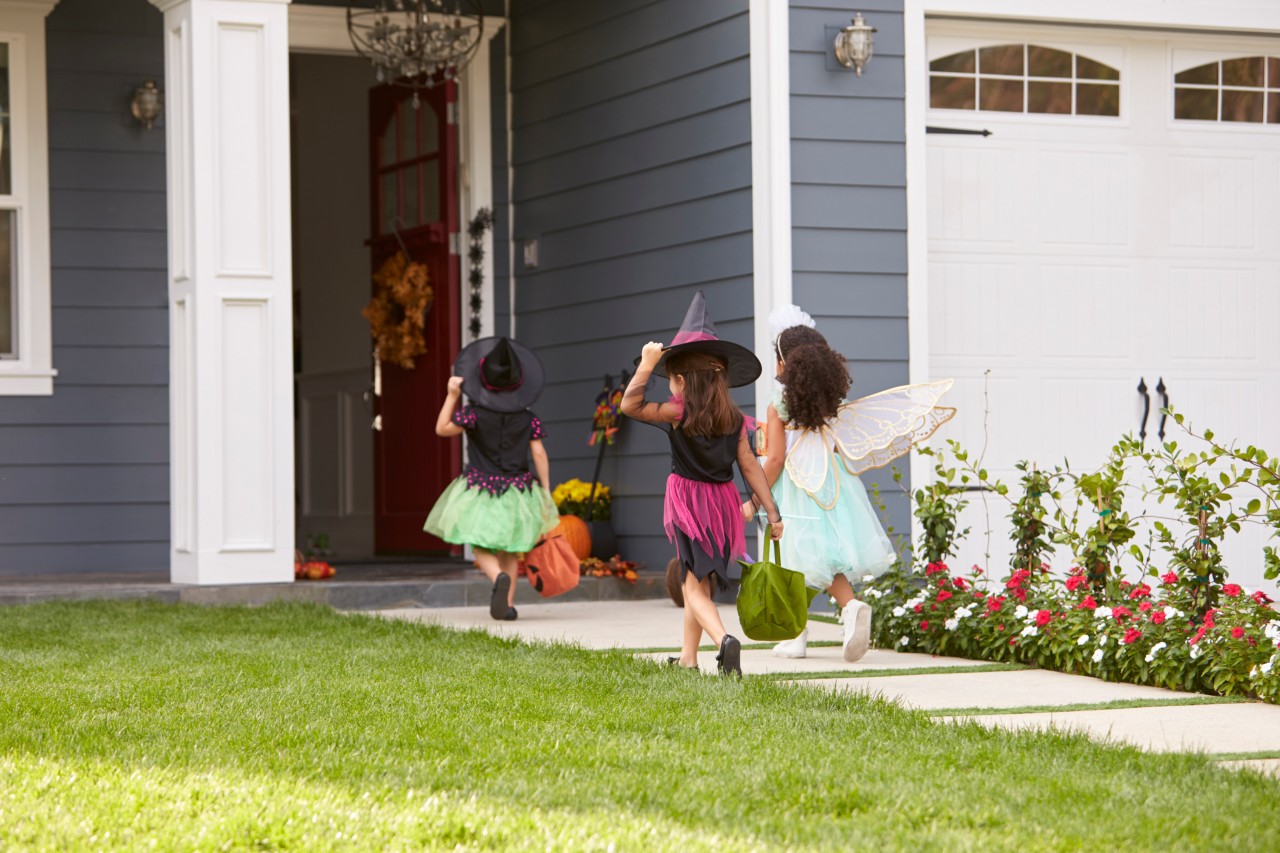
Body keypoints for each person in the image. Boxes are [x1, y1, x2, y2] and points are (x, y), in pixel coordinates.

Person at [746, 305, 956, 661]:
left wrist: (754, 500)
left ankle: (799, 634)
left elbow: (776, 459)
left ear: (785, 363)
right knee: (822, 558)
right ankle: (849, 605)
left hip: (793, 488)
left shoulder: (777, 401)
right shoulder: (827, 400)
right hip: (831, 483)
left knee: (794, 558)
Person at [621, 291, 784, 675]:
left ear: (679, 380)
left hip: (688, 503)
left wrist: (646, 365)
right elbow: (750, 468)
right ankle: (687, 659)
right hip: (723, 504)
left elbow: (629, 405)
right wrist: (772, 514)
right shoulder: (734, 418)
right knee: (700, 577)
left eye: (670, 380)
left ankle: (723, 640)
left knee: (689, 583)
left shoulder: (677, 412)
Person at [425, 337, 560, 621]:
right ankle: (507, 605)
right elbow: (539, 453)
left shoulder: (472, 415)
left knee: (479, 544)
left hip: (481, 488)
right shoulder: (528, 418)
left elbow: (442, 428)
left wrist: (451, 395)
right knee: (512, 548)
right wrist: (546, 487)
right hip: (518, 489)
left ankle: (496, 576)